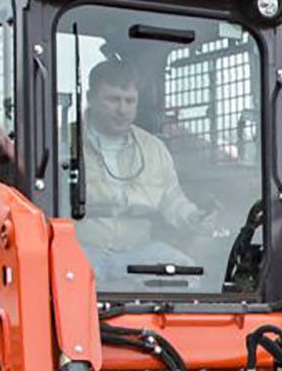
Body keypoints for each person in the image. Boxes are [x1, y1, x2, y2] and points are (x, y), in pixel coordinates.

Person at [73, 59, 208, 267]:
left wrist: (194, 217)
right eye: (113, 99)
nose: (122, 109)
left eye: (130, 101)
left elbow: (172, 201)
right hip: (81, 250)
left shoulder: (154, 150)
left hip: (138, 252)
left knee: (189, 273)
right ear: (91, 98)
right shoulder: (62, 143)